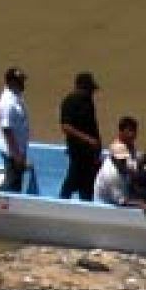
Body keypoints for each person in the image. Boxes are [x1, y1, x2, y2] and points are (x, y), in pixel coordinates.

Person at [58, 71, 103, 200]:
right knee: (72, 180)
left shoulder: (88, 101)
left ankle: (85, 205)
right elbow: (66, 126)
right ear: (81, 87)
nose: (92, 92)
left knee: (88, 184)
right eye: (89, 89)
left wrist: (97, 146)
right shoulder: (70, 102)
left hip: (90, 153)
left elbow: (92, 125)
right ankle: (61, 204)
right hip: (78, 152)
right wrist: (87, 139)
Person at [0, 66, 31, 193]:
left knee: (15, 183)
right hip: (12, 152)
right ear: (11, 82)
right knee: (12, 186)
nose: (23, 83)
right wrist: (17, 156)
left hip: (17, 150)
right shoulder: (8, 103)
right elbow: (7, 130)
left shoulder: (16, 97)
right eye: (19, 81)